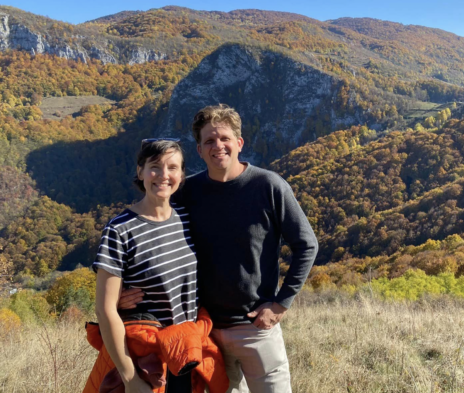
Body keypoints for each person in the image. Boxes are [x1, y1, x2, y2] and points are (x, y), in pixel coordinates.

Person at [121, 105, 318, 393]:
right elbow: (150, 234)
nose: (218, 146)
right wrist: (121, 291)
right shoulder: (187, 192)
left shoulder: (269, 186)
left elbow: (307, 244)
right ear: (199, 150)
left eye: (225, 138)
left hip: (256, 328)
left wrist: (280, 304)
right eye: (209, 141)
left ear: (239, 143)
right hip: (205, 331)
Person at [90, 139, 201, 393]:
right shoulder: (119, 229)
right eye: (155, 167)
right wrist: (131, 379)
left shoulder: (186, 219)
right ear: (140, 172)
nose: (164, 175)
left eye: (172, 168)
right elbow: (105, 310)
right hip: (147, 364)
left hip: (187, 355)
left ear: (182, 174)